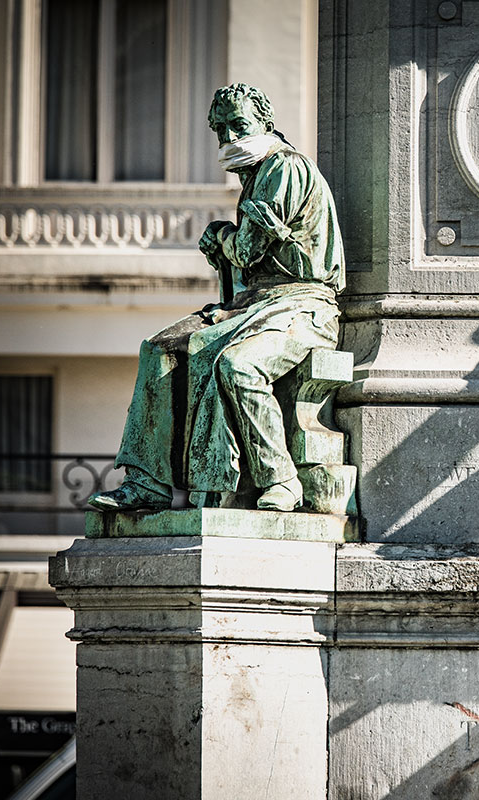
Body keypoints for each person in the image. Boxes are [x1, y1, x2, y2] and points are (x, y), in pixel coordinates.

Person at [89, 83, 344, 513]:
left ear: (265, 123)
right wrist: (227, 241)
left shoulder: (284, 168)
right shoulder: (256, 177)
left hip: (305, 305)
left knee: (237, 365)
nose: (229, 139)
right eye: (221, 130)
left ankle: (280, 479)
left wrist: (221, 236)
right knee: (159, 350)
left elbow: (246, 250)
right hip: (255, 306)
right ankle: (147, 482)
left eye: (238, 126)